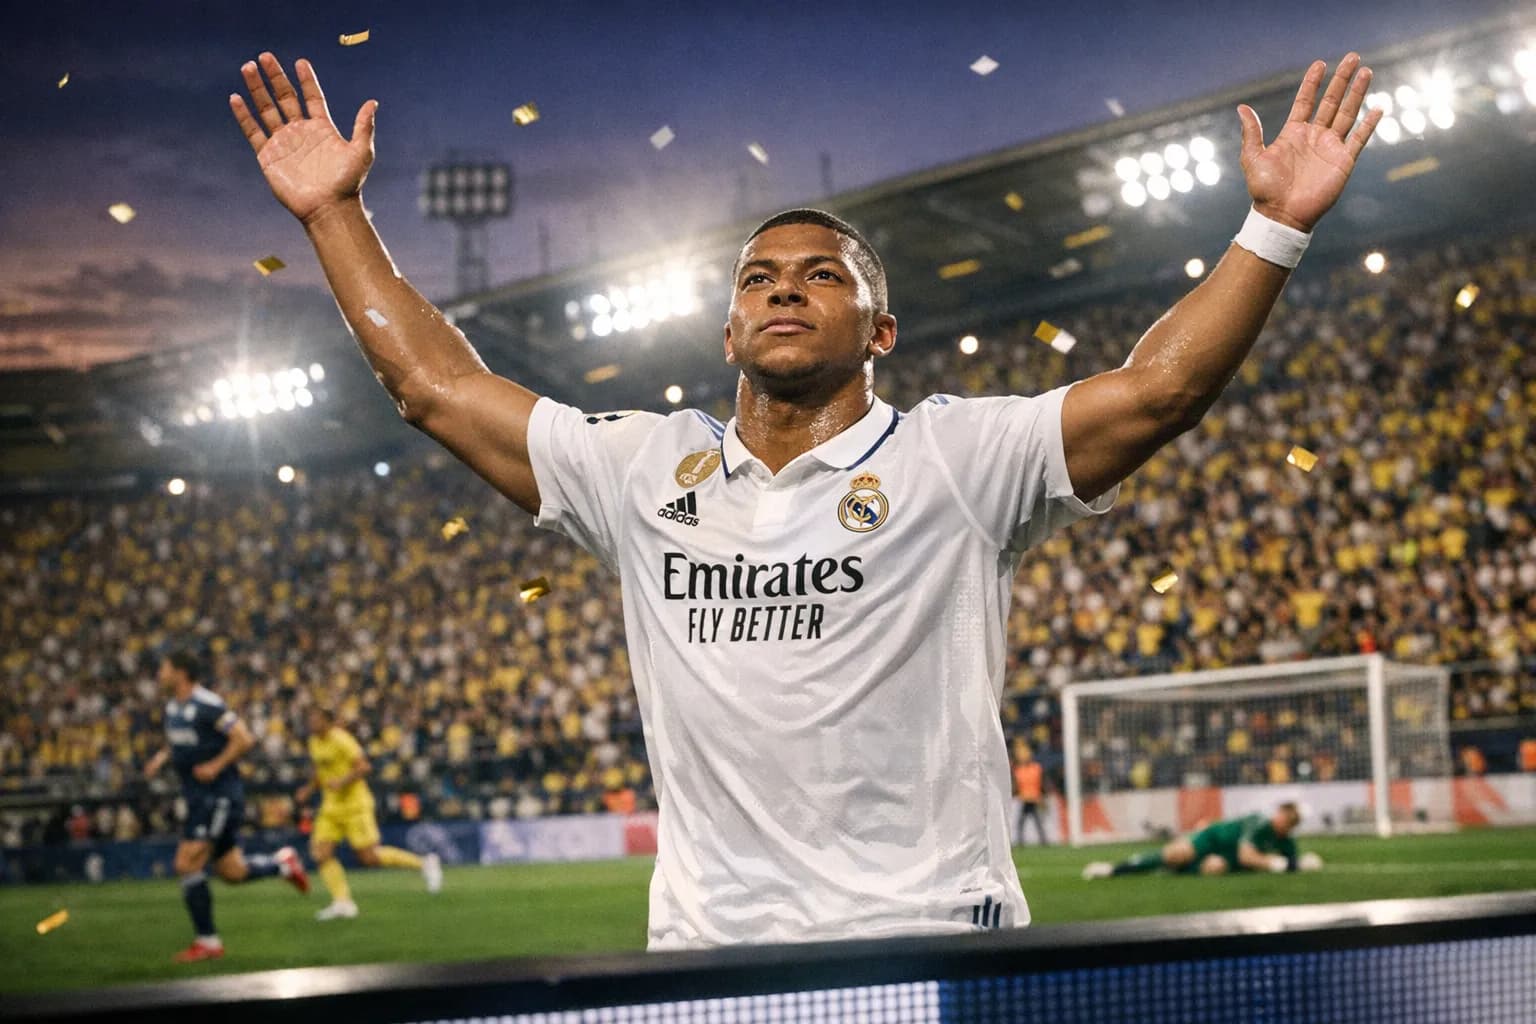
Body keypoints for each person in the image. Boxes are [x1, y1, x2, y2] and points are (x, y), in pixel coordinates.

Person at [230, 50, 1379, 947]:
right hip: (709, 959)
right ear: (728, 329)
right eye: (759, 279)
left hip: (928, 941)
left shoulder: (958, 460)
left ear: (880, 330)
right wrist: (334, 212)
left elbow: (1159, 392)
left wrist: (1275, 224)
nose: (785, 285)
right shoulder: (640, 469)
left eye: (822, 274)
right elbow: (434, 388)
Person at [142, 647, 308, 962]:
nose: (159, 674)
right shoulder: (173, 707)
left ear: (180, 672)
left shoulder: (208, 704)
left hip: (217, 795)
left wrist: (216, 766)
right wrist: (161, 757)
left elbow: (244, 738)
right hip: (197, 797)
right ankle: (283, 864)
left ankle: (208, 942)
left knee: (187, 863)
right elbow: (180, 739)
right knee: (232, 872)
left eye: (163, 668)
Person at [298, 705, 442, 920]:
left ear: (327, 721)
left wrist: (342, 781)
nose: (311, 722)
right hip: (331, 807)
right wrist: (309, 789)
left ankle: (424, 863)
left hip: (355, 805)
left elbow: (364, 767)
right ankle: (343, 902)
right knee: (321, 853)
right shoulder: (314, 742)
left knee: (369, 857)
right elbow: (321, 771)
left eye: (315, 718)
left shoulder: (342, 740)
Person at [1081, 803, 1321, 878]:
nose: (1282, 820)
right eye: (1283, 814)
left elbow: (1292, 860)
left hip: (1225, 858)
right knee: (1176, 855)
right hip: (1211, 839)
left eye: (1288, 819)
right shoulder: (1259, 824)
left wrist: (1299, 863)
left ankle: (1170, 871)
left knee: (1214, 869)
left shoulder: (1286, 843)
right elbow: (1246, 856)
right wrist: (1280, 865)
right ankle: (1114, 869)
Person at [1012, 740, 1048, 846]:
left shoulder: (1035, 768)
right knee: (1028, 822)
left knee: (1027, 822)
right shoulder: (1019, 770)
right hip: (1026, 799)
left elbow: (1042, 783)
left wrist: (1043, 796)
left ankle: (1039, 841)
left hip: (1033, 799)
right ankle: (1038, 841)